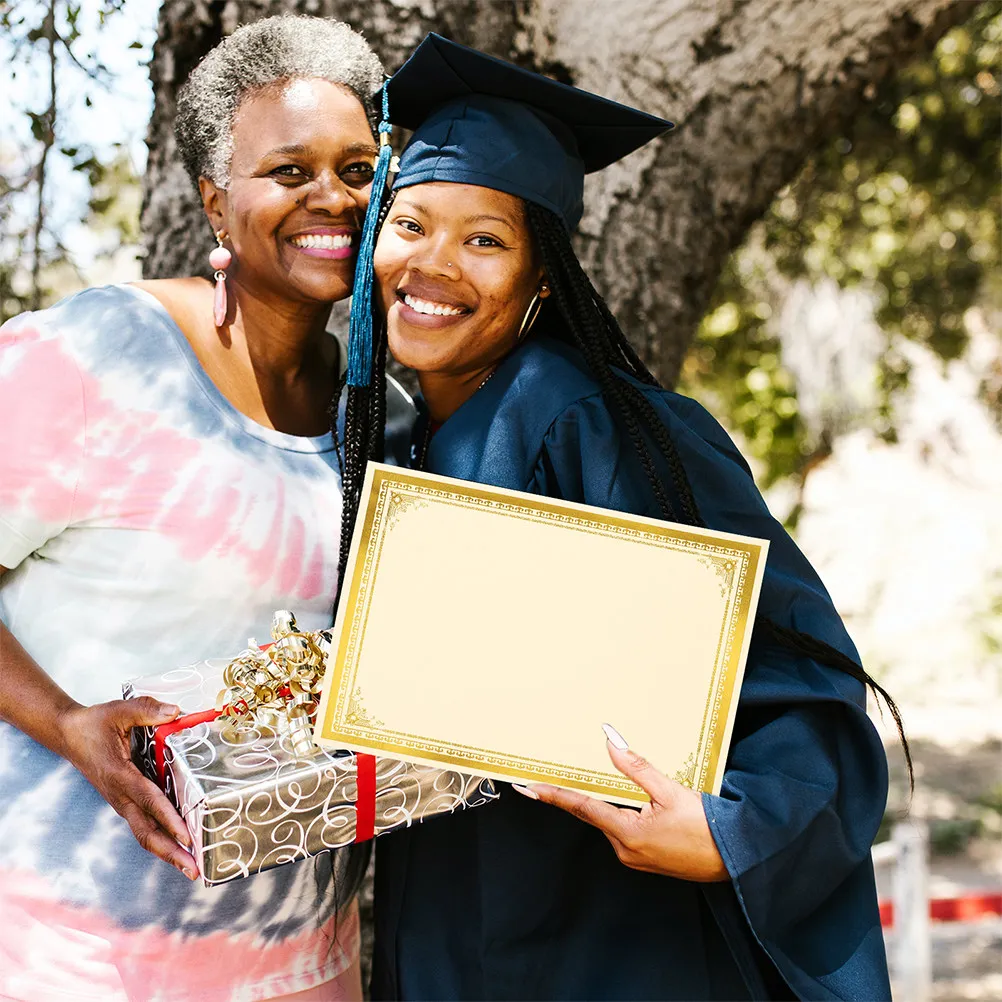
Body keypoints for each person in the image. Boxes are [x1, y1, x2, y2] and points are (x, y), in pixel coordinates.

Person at [336, 34, 908, 1001]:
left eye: (486, 239)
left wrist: (732, 834)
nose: (434, 264)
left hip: (600, 933)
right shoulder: (395, 440)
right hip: (451, 926)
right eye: (412, 225)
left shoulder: (589, 421)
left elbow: (795, 668)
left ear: (544, 277)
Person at [0, 16, 412, 1002]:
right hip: (70, 961)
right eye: (290, 171)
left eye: (360, 169)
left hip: (304, 969)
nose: (333, 199)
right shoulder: (99, 358)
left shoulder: (385, 419)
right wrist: (67, 724)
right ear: (215, 204)